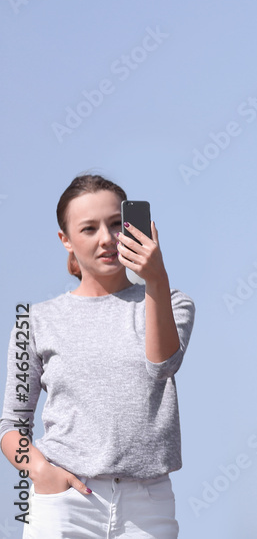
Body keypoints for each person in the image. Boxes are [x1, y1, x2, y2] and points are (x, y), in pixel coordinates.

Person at [0, 174, 195, 538]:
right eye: (88, 228)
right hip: (64, 502)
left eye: (117, 224)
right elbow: (11, 425)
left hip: (148, 505)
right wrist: (40, 472)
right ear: (66, 240)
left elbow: (162, 365)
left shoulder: (172, 301)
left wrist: (156, 280)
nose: (107, 238)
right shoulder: (33, 321)